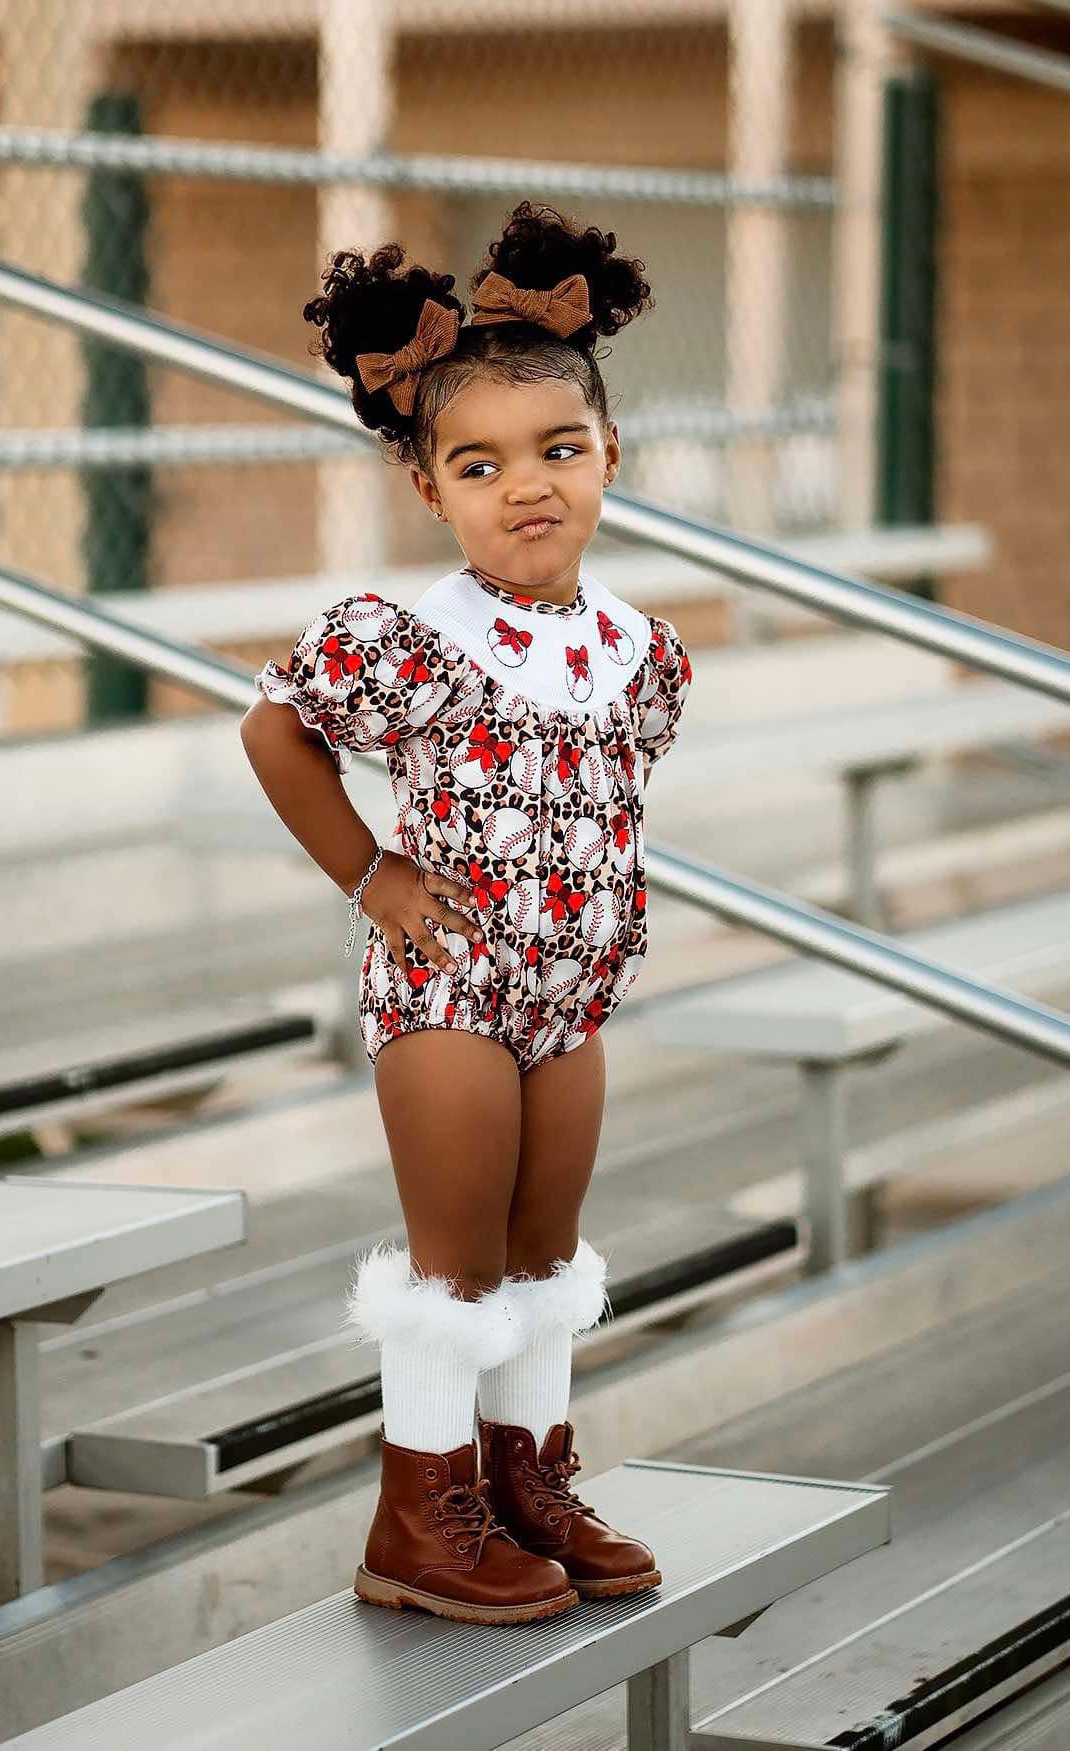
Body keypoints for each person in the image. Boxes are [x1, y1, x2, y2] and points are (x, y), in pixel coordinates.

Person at [240, 200, 693, 1626]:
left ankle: (526, 1477)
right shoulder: (412, 640)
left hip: (571, 998)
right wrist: (374, 873)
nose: (528, 487)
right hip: (448, 994)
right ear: (431, 487)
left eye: (559, 450)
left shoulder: (639, 651)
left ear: (610, 456)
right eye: (480, 464)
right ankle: (417, 1512)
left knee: (547, 1260)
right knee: (459, 1265)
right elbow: (275, 732)